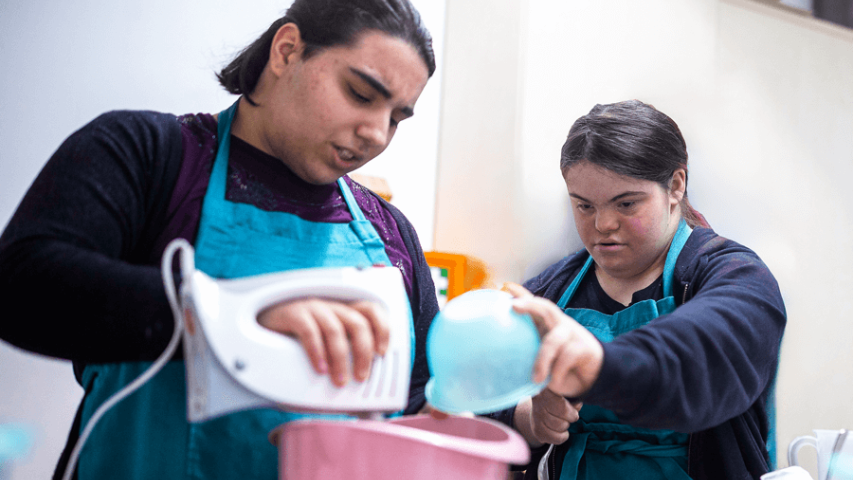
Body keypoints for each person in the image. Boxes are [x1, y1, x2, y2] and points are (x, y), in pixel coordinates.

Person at [0, 1, 439, 479]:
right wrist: (226, 318)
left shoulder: (391, 233)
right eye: (359, 94)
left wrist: (520, 404)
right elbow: (22, 284)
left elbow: (419, 399)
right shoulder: (152, 156)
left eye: (396, 118)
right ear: (286, 51)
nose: (376, 134)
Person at [492, 100, 786, 479]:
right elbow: (482, 403)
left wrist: (596, 367)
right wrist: (530, 420)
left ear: (676, 186)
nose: (603, 224)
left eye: (626, 203)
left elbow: (701, 356)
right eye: (583, 206)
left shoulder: (737, 277)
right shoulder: (550, 292)